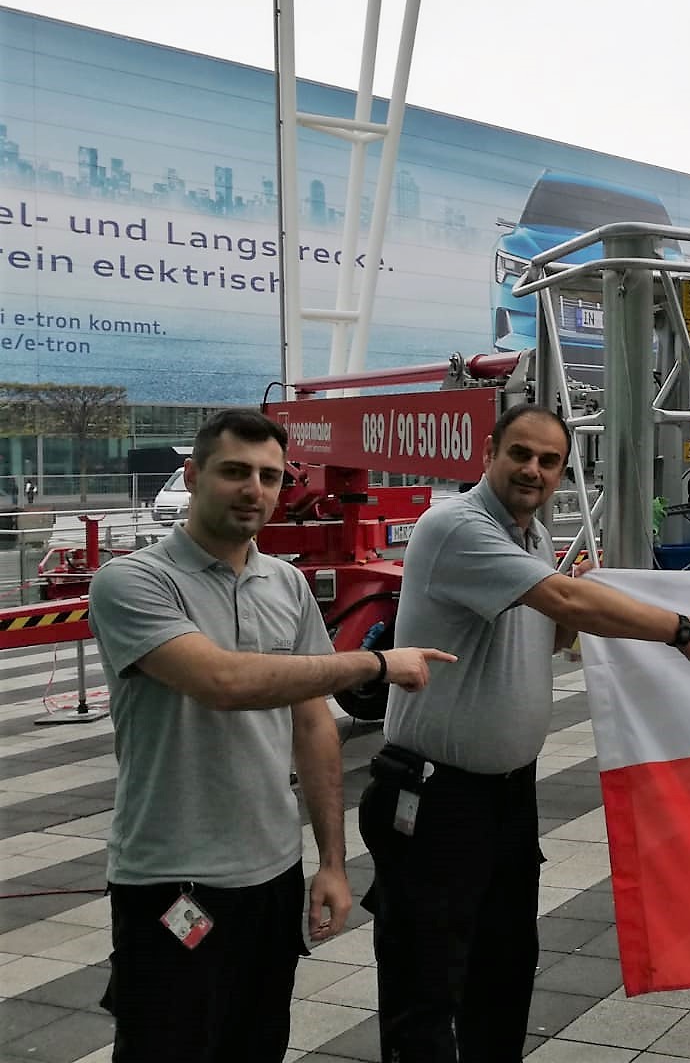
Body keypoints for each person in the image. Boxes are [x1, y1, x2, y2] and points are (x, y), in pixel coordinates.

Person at [358, 403, 690, 1062]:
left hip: (506, 798)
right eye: (520, 454)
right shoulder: (457, 528)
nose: (533, 470)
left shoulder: (528, 536)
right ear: (490, 454)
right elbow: (560, 603)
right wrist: (675, 627)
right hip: (437, 799)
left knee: (501, 974)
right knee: (427, 988)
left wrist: (577, 592)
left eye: (549, 461)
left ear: (561, 472)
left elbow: (551, 625)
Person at [86, 408, 452, 1063]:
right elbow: (222, 682)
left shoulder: (284, 583)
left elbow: (313, 722)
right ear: (192, 476)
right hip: (173, 882)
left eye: (268, 476)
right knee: (167, 1046)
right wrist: (375, 663)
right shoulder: (134, 582)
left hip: (272, 877)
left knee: (254, 1044)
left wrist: (333, 865)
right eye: (233, 472)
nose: (253, 489)